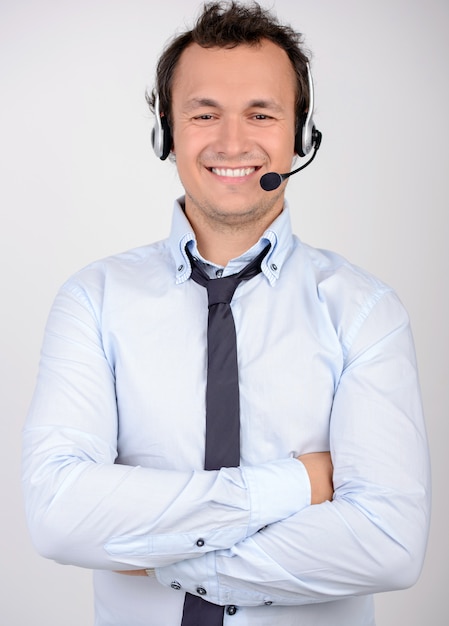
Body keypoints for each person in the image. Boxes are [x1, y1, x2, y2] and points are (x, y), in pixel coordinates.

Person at [22, 2, 431, 625]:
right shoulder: (93, 300)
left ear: (300, 135)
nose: (233, 143)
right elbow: (58, 515)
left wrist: (163, 553)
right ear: (167, 133)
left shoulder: (365, 311)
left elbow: (389, 546)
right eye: (204, 113)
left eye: (261, 114)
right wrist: (297, 485)